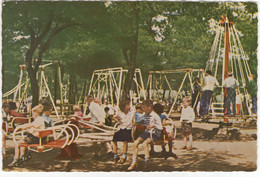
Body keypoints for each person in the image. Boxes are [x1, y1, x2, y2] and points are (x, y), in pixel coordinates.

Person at [128, 99, 163, 171]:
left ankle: (147, 162)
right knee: (135, 143)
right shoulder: (145, 115)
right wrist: (134, 123)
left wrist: (153, 125)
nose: (143, 110)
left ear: (149, 107)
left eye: (144, 108)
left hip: (155, 133)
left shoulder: (155, 116)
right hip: (147, 132)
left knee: (145, 143)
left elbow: (160, 127)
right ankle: (134, 161)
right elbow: (139, 121)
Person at [112, 100, 135, 164]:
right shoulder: (120, 113)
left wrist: (133, 126)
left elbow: (134, 122)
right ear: (124, 107)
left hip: (128, 129)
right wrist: (118, 121)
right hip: (122, 128)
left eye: (129, 105)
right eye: (128, 105)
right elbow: (114, 117)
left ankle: (124, 156)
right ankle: (115, 156)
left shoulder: (131, 113)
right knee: (114, 139)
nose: (129, 106)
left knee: (125, 140)